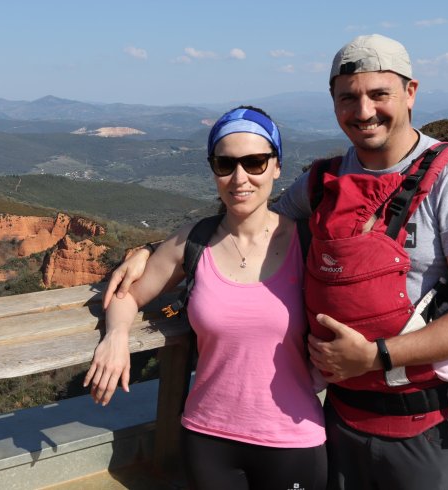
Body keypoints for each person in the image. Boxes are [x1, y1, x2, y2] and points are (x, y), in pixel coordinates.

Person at [105, 34, 448, 490]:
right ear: (333, 101)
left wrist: (377, 356)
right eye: (348, 97)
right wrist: (154, 251)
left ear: (410, 92)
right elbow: (246, 222)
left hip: (432, 430)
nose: (364, 110)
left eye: (379, 94)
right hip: (343, 425)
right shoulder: (321, 184)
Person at [85, 106, 327, 489]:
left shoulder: (308, 242)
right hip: (209, 436)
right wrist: (116, 336)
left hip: (293, 438)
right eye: (225, 164)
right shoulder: (193, 242)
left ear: (277, 166)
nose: (239, 178)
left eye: (255, 162)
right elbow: (125, 295)